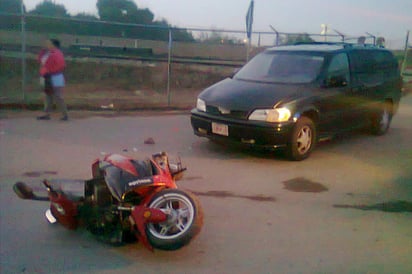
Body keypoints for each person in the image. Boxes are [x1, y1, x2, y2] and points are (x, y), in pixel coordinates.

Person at [37, 39, 69, 121]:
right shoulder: (46, 53)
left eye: (48, 43)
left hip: (55, 76)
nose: (46, 44)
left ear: (53, 45)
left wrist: (50, 71)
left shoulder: (57, 53)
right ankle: (47, 114)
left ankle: (65, 114)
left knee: (58, 96)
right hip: (46, 76)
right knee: (48, 95)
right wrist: (42, 51)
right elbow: (40, 60)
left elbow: (61, 65)